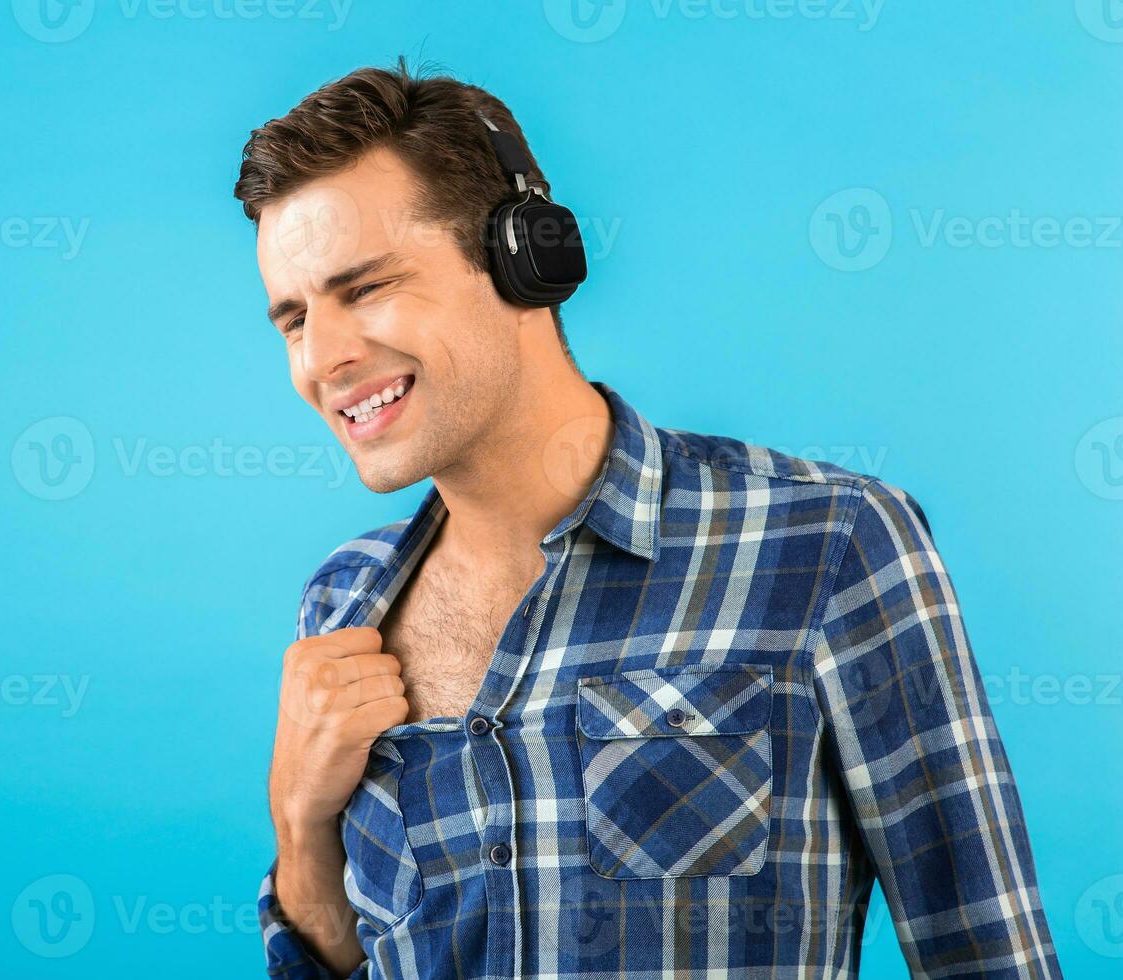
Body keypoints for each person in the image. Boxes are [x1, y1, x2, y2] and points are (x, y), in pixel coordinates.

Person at [234, 59, 1060, 979]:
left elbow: (988, 953)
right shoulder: (341, 604)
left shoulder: (829, 548)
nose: (326, 358)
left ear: (524, 258)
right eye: (294, 319)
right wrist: (300, 822)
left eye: (367, 287)